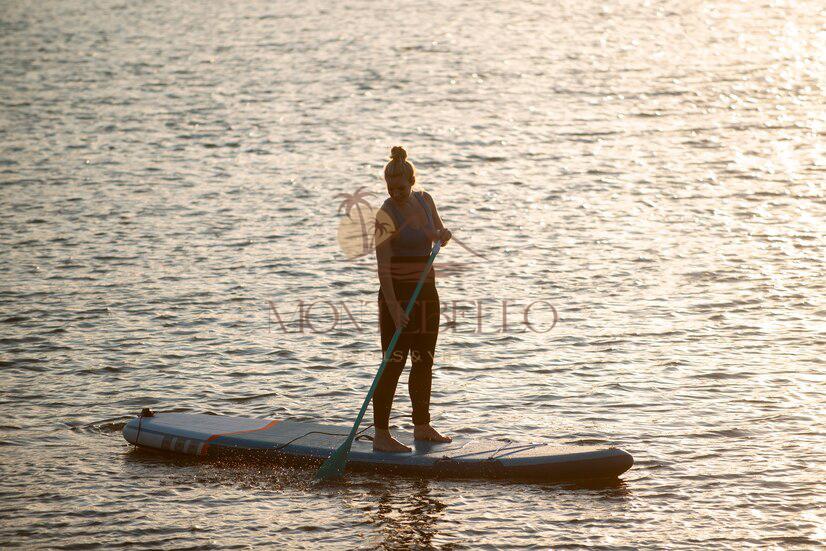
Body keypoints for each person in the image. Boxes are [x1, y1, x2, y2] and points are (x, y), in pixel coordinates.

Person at [372, 146, 453, 453]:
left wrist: (443, 235)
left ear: (412, 182)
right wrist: (394, 307)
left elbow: (436, 233)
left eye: (401, 188)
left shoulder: (424, 200)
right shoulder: (385, 214)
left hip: (425, 291)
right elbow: (383, 265)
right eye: (390, 188)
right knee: (393, 363)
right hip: (396, 293)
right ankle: (381, 435)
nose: (396, 194)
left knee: (423, 360)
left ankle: (422, 426)